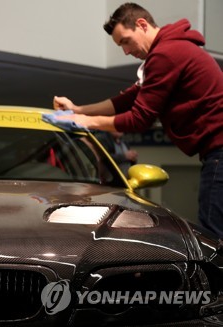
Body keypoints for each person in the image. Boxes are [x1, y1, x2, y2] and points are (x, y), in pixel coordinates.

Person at [51, 3, 223, 237]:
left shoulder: (166, 54)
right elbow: (129, 99)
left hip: (219, 151)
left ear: (142, 25)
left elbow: (139, 118)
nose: (126, 51)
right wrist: (79, 110)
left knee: (214, 237)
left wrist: (84, 122)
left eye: (125, 41)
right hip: (215, 151)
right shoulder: (172, 49)